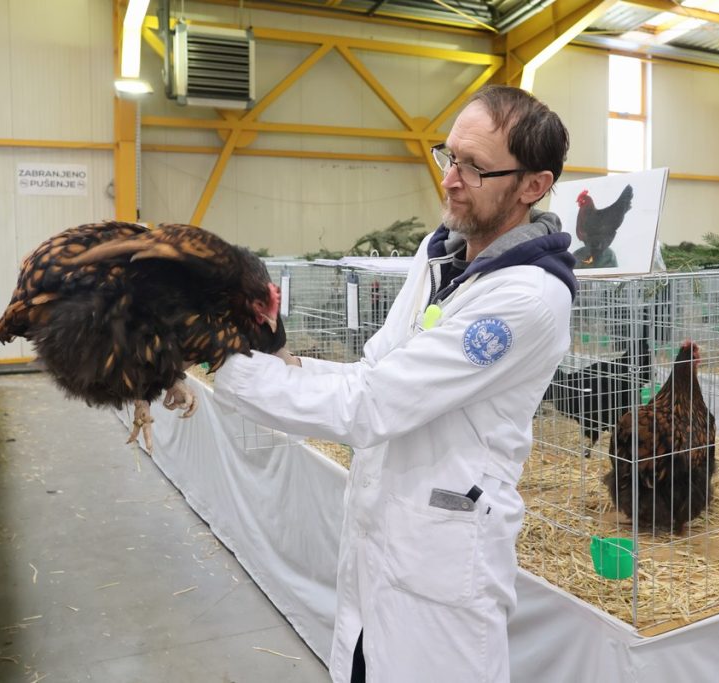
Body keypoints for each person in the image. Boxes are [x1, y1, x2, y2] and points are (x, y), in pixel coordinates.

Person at [212, 84, 576, 683]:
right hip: (378, 540)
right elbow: (374, 371)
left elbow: (372, 405)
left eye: (475, 167)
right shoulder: (439, 255)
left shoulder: (527, 297)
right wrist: (281, 364)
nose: (450, 179)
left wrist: (222, 364)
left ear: (532, 186)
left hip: (442, 560)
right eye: (449, 155)